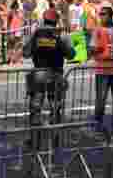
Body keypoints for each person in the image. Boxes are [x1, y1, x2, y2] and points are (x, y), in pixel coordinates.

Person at [23, 9, 76, 137]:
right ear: (56, 21)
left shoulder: (35, 34)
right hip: (56, 74)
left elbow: (25, 53)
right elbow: (71, 55)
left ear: (43, 19)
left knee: (35, 108)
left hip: (38, 74)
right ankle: (55, 137)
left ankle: (34, 138)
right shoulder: (62, 35)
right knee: (55, 107)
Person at [90, 6, 113, 134]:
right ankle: (98, 126)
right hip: (102, 69)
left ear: (110, 15)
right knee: (100, 100)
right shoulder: (97, 30)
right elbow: (91, 48)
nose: (101, 16)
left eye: (104, 14)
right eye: (100, 14)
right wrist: (96, 49)